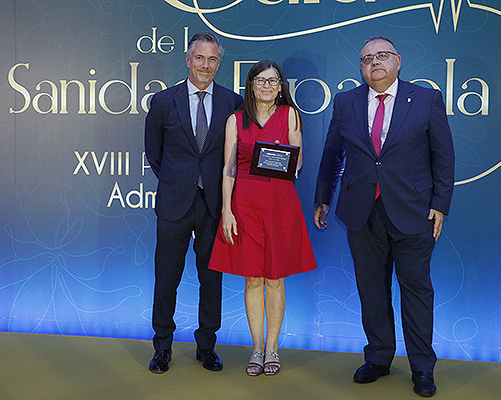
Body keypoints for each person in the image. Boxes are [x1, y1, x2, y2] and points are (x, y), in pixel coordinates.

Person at [314, 36, 455, 397]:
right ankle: (378, 357)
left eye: (381, 56)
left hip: (414, 213)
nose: (374, 62)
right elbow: (332, 153)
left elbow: (443, 156)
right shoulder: (345, 102)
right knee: (372, 291)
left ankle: (422, 368)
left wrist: (440, 204)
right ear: (360, 68)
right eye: (366, 59)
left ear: (397, 61)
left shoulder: (425, 99)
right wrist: (322, 199)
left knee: (416, 292)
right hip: (362, 213)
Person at [208, 60, 317, 376]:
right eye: (261, 80)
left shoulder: (291, 115)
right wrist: (227, 210)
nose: (267, 86)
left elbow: (297, 164)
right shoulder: (235, 120)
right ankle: (256, 350)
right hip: (245, 206)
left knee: (275, 278)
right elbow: (229, 169)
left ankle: (273, 349)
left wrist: (284, 157)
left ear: (281, 86)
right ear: (251, 84)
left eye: (274, 81)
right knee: (252, 278)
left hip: (280, 206)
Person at [144, 32, 243, 374]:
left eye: (212, 59)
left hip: (214, 207)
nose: (205, 65)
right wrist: (177, 182)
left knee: (211, 279)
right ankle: (162, 348)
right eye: (199, 58)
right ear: (188, 60)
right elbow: (153, 152)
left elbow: (237, 156)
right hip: (174, 203)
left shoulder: (233, 103)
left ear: (219, 63)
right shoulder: (162, 101)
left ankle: (207, 346)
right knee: (166, 278)